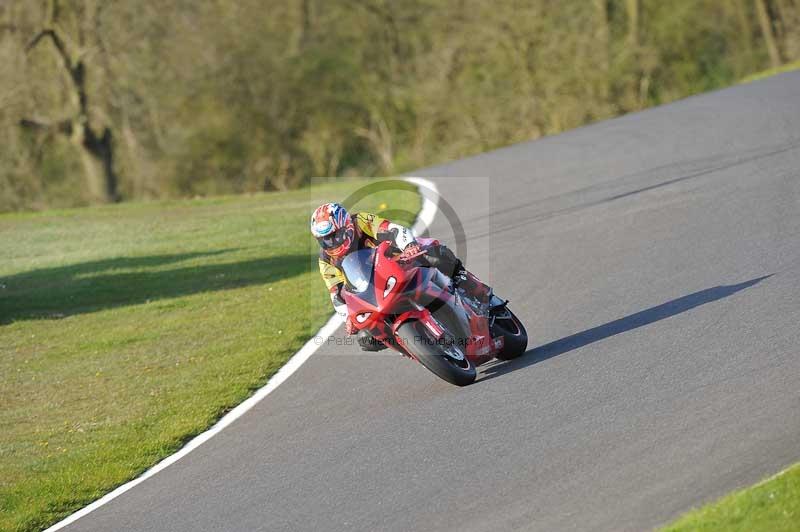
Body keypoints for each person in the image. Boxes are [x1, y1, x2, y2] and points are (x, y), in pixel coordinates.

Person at [310, 202, 487, 351]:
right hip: (372, 290)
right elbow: (337, 294)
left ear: (346, 227)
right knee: (366, 338)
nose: (330, 243)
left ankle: (464, 281)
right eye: (324, 240)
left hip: (400, 259)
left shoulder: (360, 221)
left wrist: (409, 245)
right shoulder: (326, 260)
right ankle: (415, 349)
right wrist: (348, 318)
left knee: (433, 253)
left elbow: (393, 230)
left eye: (334, 236)